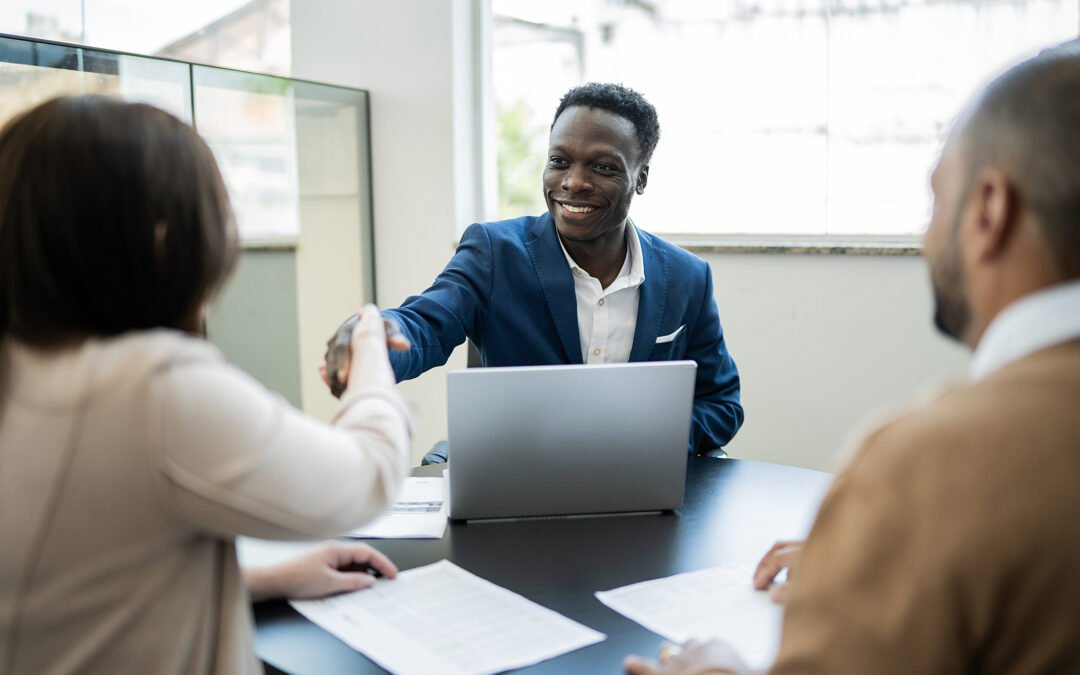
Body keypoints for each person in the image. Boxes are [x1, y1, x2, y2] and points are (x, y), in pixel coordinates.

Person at [624, 42, 1080, 674]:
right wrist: (894, 557)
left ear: (989, 211)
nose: (926, 236)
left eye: (936, 201)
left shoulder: (926, 466)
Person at [0, 96, 413, 674]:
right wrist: (369, 349)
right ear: (164, 238)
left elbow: (76, 581)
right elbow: (368, 475)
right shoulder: (152, 386)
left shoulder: (24, 369)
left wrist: (260, 578)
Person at [339, 82, 743, 457]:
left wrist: (647, 439)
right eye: (559, 161)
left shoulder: (687, 277)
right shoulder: (494, 252)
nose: (574, 182)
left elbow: (721, 403)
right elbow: (425, 324)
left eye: (603, 167)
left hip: (637, 485)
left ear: (641, 177)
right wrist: (373, 338)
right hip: (514, 478)